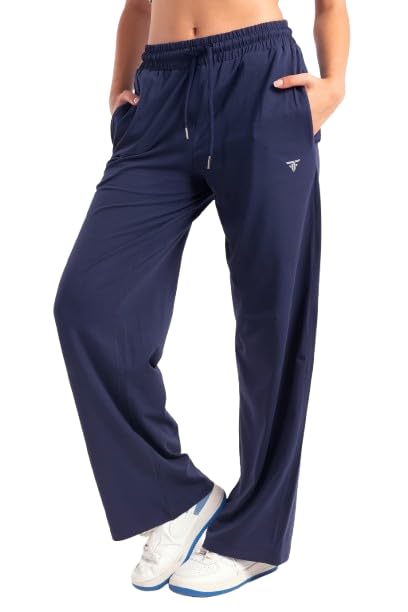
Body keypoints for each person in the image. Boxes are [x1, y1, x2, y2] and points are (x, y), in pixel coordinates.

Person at [53, 0, 350, 598]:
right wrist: (118, 88)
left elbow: (331, 5)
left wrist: (334, 86)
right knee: (87, 305)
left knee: (273, 322)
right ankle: (174, 498)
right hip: (159, 94)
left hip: (261, 83)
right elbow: (138, 6)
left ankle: (254, 537)